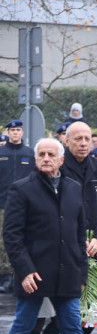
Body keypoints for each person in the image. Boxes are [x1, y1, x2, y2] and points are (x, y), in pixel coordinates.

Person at [0, 139, 97, 334]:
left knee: (71, 327)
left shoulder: (72, 188)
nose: (46, 158)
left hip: (68, 271)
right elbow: (12, 236)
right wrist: (24, 271)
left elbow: (78, 233)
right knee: (23, 324)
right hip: (34, 273)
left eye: (51, 154)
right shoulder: (21, 189)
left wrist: (81, 272)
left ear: (61, 160)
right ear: (36, 159)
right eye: (41, 154)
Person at [0, 119, 36, 293]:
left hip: (25, 204)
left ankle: (18, 273)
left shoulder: (30, 154)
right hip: (2, 203)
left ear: (22, 132)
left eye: (18, 130)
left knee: (23, 238)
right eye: (12, 130)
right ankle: (5, 276)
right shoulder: (1, 152)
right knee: (3, 241)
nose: (15, 133)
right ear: (8, 132)